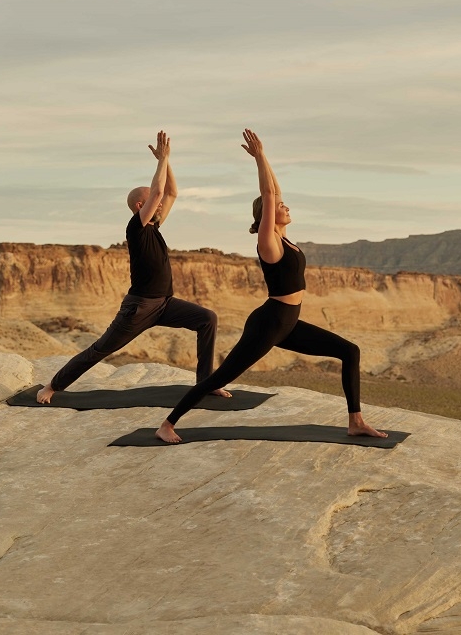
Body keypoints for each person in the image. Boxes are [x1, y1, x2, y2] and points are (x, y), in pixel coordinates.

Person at [154, 129, 388, 443]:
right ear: (266, 214)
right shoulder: (269, 242)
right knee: (221, 376)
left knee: (349, 351)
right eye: (281, 206)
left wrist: (266, 160)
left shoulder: (286, 240)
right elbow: (269, 195)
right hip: (270, 322)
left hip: (288, 322)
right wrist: (261, 157)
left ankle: (356, 421)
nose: (285, 206)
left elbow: (274, 192)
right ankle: (167, 425)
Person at [36, 131, 230, 403]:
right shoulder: (136, 228)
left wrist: (168, 161)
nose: (160, 203)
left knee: (207, 318)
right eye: (153, 201)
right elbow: (161, 191)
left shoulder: (154, 226)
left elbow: (171, 191)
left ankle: (206, 384)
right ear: (141, 206)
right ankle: (52, 386)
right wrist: (160, 161)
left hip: (164, 303)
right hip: (139, 308)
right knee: (101, 349)